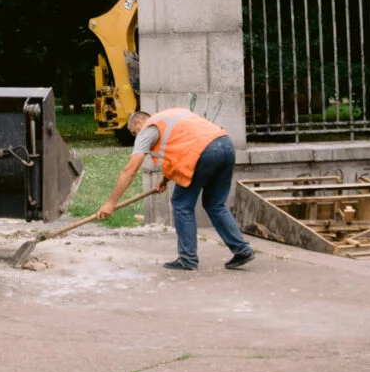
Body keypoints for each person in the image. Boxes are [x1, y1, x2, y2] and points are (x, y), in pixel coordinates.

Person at [97, 106, 256, 272]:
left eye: (134, 133)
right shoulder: (171, 117)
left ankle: (188, 259)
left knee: (182, 204)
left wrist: (110, 203)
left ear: (138, 122)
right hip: (225, 145)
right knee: (215, 204)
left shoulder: (148, 128)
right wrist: (164, 179)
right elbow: (181, 148)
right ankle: (242, 250)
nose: (136, 137)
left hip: (203, 152)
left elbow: (130, 169)